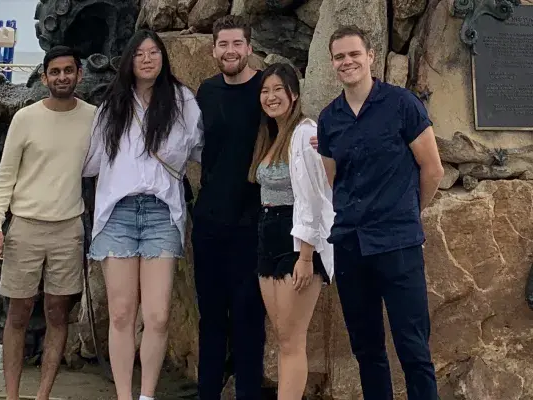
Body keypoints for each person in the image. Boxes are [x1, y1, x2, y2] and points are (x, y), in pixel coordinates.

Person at [316, 25, 444, 400]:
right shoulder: (329, 118)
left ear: (370, 56)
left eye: (354, 54)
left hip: (398, 244)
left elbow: (432, 169)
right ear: (332, 64)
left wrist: (408, 212)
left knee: (414, 348)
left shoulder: (402, 104)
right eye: (339, 56)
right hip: (351, 246)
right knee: (367, 351)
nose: (347, 62)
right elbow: (332, 180)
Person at [82, 29, 203, 400]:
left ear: (163, 58)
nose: (148, 58)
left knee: (158, 315)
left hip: (160, 212)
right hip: (117, 213)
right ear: (129, 61)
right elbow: (90, 162)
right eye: (140, 53)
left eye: (154, 52)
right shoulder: (113, 105)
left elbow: (203, 148)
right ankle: (123, 395)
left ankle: (147, 395)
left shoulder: (182, 100)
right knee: (121, 313)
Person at [0, 46, 96, 400]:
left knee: (57, 313)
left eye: (68, 70)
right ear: (45, 77)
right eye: (55, 71)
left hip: (68, 227)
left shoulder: (94, 117)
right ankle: (12, 395)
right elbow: (5, 176)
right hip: (26, 227)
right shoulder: (26, 118)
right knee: (17, 313)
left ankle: (43, 395)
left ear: (79, 74)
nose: (62, 77)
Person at [247, 63, 334, 399]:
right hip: (267, 235)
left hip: (295, 240)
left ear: (293, 94)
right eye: (265, 91)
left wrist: (306, 255)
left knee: (292, 339)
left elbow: (314, 196)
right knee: (282, 335)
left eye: (277, 90)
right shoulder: (269, 136)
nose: (270, 97)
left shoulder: (305, 134)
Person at [190, 15, 266, 399]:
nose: (230, 51)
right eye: (223, 44)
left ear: (249, 48)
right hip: (209, 222)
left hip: (252, 222)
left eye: (237, 44)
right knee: (212, 319)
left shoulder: (265, 90)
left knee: (250, 318)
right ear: (214, 49)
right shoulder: (205, 91)